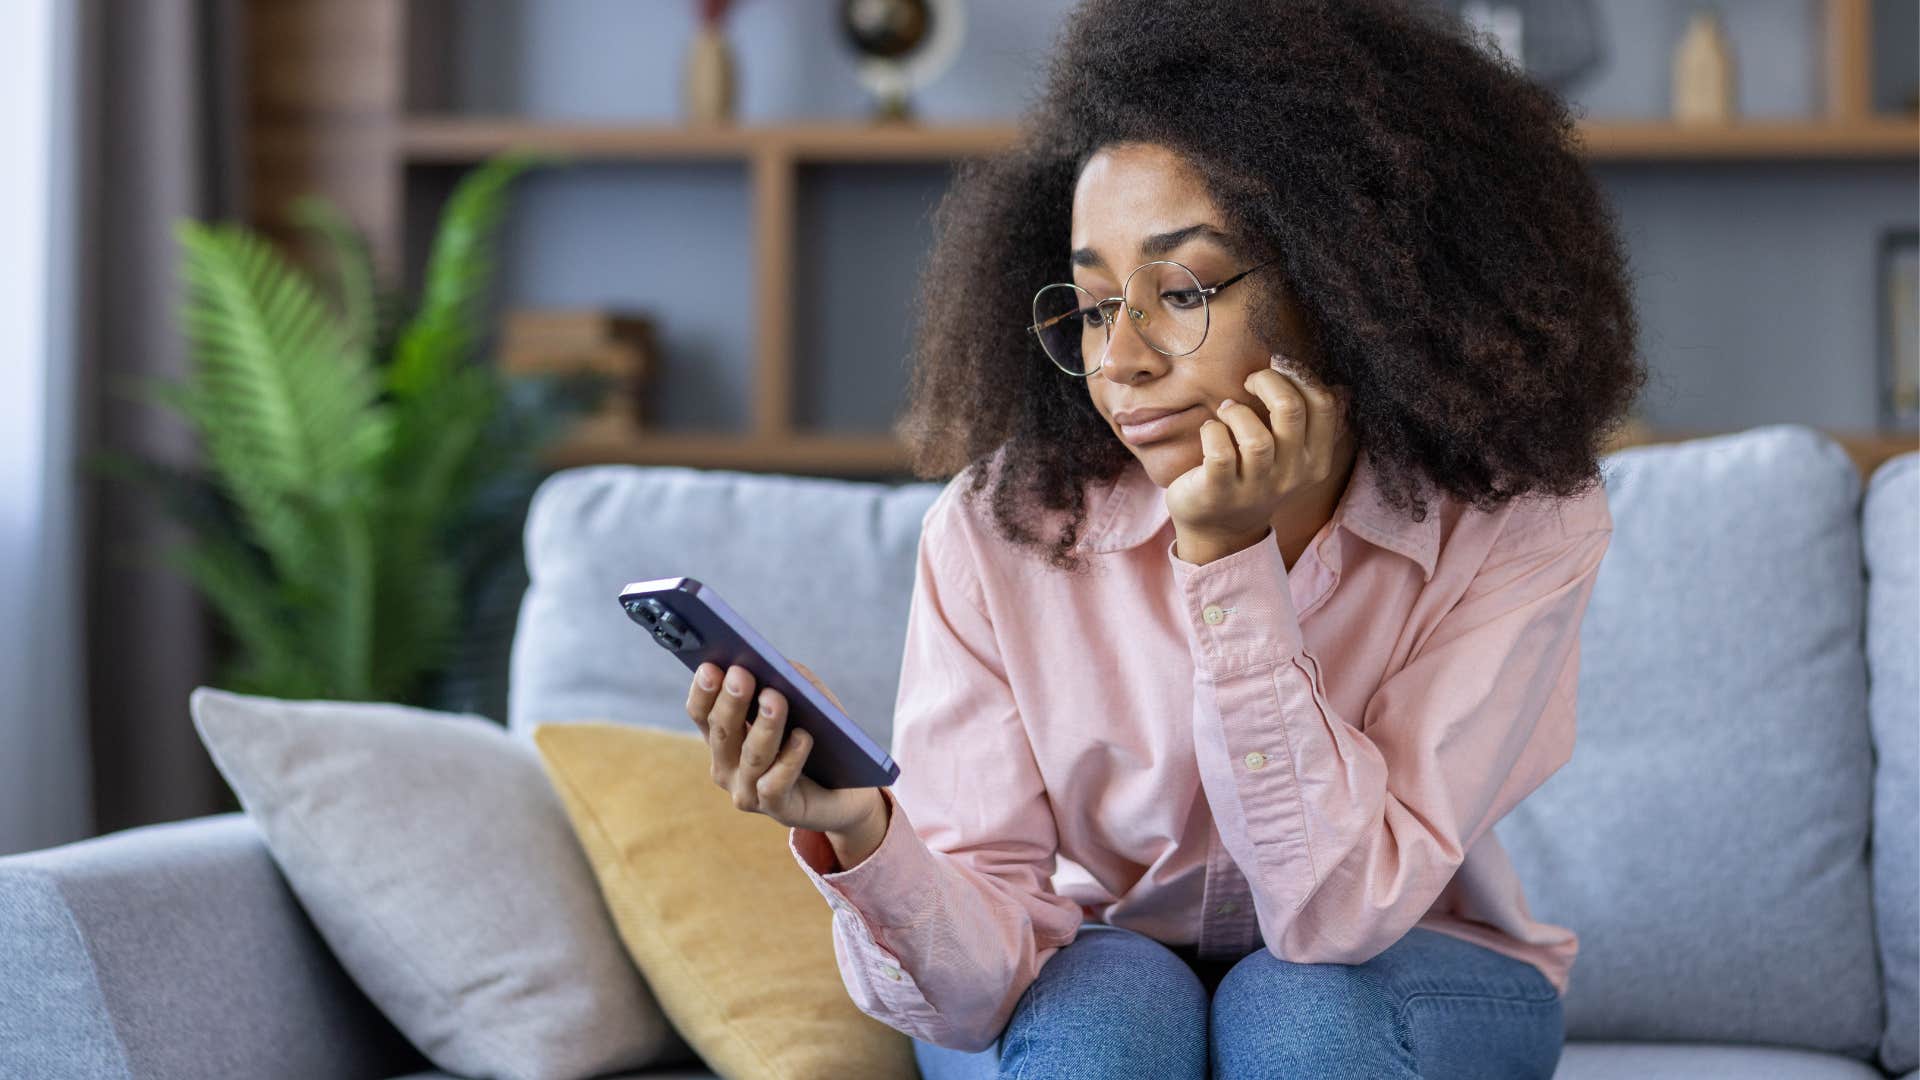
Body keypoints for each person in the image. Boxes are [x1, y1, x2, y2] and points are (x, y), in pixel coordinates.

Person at [683, 0, 1645, 1074]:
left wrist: (1230, 568)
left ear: (1349, 280)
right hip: (1101, 957)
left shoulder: (1518, 521)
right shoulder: (1003, 532)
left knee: (1299, 1009)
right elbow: (964, 996)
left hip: (1400, 959)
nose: (1123, 361)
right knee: (1106, 1007)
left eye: (1180, 289)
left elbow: (1336, 914)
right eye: (1095, 308)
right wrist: (862, 832)